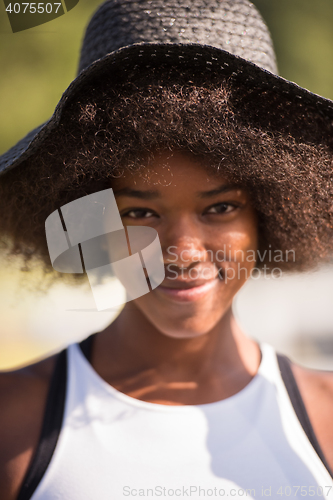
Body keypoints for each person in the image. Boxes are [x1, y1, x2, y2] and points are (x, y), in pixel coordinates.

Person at [0, 1, 333, 499]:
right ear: (94, 223)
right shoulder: (13, 422)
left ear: (268, 213)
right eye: (139, 213)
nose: (182, 251)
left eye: (219, 208)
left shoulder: (325, 419)